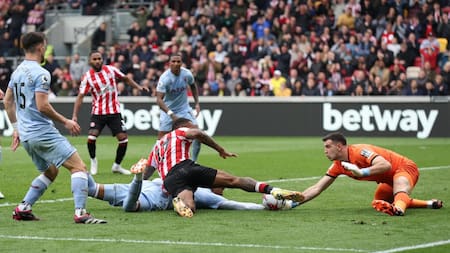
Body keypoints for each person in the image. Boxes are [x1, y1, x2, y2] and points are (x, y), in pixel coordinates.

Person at [3, 32, 106, 224]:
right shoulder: (41, 73)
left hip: (26, 136)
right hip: (42, 132)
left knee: (51, 171)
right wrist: (66, 121)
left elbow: (8, 101)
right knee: (79, 167)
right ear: (41, 47)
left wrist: (16, 129)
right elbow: (42, 105)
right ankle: (80, 212)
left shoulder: (16, 72)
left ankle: (23, 208)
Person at [146, 118, 304, 217]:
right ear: (185, 125)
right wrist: (220, 150)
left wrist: (138, 182)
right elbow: (199, 135)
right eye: (192, 125)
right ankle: (272, 190)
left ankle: (179, 202)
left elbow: (147, 173)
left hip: (171, 180)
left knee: (190, 209)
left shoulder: (156, 147)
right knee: (233, 180)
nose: (195, 127)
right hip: (186, 167)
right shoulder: (180, 130)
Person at [298, 132, 443, 216]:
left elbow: (385, 165)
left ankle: (398, 211)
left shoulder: (360, 151)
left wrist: (362, 172)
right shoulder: (338, 166)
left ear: (339, 146)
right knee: (380, 202)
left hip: (404, 168)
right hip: (387, 181)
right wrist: (293, 202)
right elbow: (317, 188)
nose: (325, 151)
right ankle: (429, 204)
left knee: (399, 189)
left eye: (328, 147)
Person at [87, 158, 298, 212]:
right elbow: (129, 207)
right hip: (165, 189)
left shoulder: (208, 198)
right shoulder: (145, 202)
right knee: (90, 188)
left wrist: (76, 168)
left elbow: (93, 188)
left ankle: (181, 203)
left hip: (162, 190)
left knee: (126, 205)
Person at [72, 51, 149, 175]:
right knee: (91, 138)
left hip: (114, 112)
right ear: (90, 61)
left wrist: (139, 88)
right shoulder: (88, 77)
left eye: (99, 58)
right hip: (98, 113)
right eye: (95, 59)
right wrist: (75, 115)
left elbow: (126, 79)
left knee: (123, 140)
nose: (97, 61)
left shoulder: (111, 70)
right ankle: (93, 161)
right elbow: (80, 97)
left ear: (102, 60)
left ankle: (117, 166)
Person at [156, 53, 202, 162]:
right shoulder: (165, 79)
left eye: (178, 61)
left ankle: (193, 162)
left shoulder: (187, 74)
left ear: (181, 63)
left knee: (198, 134)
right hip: (168, 111)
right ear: (169, 63)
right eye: (173, 61)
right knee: (161, 140)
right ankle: (157, 163)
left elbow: (193, 86)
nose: (176, 63)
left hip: (184, 109)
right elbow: (159, 99)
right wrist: (171, 114)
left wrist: (197, 103)